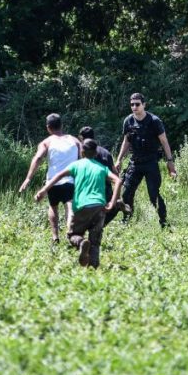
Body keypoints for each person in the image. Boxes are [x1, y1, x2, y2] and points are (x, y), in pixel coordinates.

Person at [35, 139, 122, 268]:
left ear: (82, 152)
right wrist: (112, 202)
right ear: (95, 153)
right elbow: (118, 181)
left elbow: (58, 176)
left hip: (81, 207)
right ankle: (93, 268)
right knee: (95, 242)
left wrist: (43, 190)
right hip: (99, 207)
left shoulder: (76, 165)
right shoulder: (102, 168)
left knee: (73, 235)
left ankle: (81, 243)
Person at [114, 93, 177, 229]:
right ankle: (127, 219)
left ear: (144, 105)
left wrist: (170, 161)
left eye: (137, 104)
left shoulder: (154, 121)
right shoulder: (128, 121)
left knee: (153, 195)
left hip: (151, 162)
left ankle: (164, 223)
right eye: (132, 104)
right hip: (135, 162)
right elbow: (126, 142)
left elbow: (164, 141)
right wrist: (119, 160)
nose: (134, 107)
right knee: (126, 193)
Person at [19, 114, 81, 243]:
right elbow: (84, 157)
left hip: (52, 182)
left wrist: (28, 178)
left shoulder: (46, 142)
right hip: (70, 180)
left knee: (53, 207)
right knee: (70, 206)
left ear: (48, 127)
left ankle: (55, 237)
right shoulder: (74, 140)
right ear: (61, 125)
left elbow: (38, 158)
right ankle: (71, 232)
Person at [78, 126, 120, 227]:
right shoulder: (105, 152)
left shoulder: (81, 152)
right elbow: (115, 173)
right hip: (106, 190)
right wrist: (117, 194)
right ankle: (99, 225)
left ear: (81, 138)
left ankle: (96, 227)